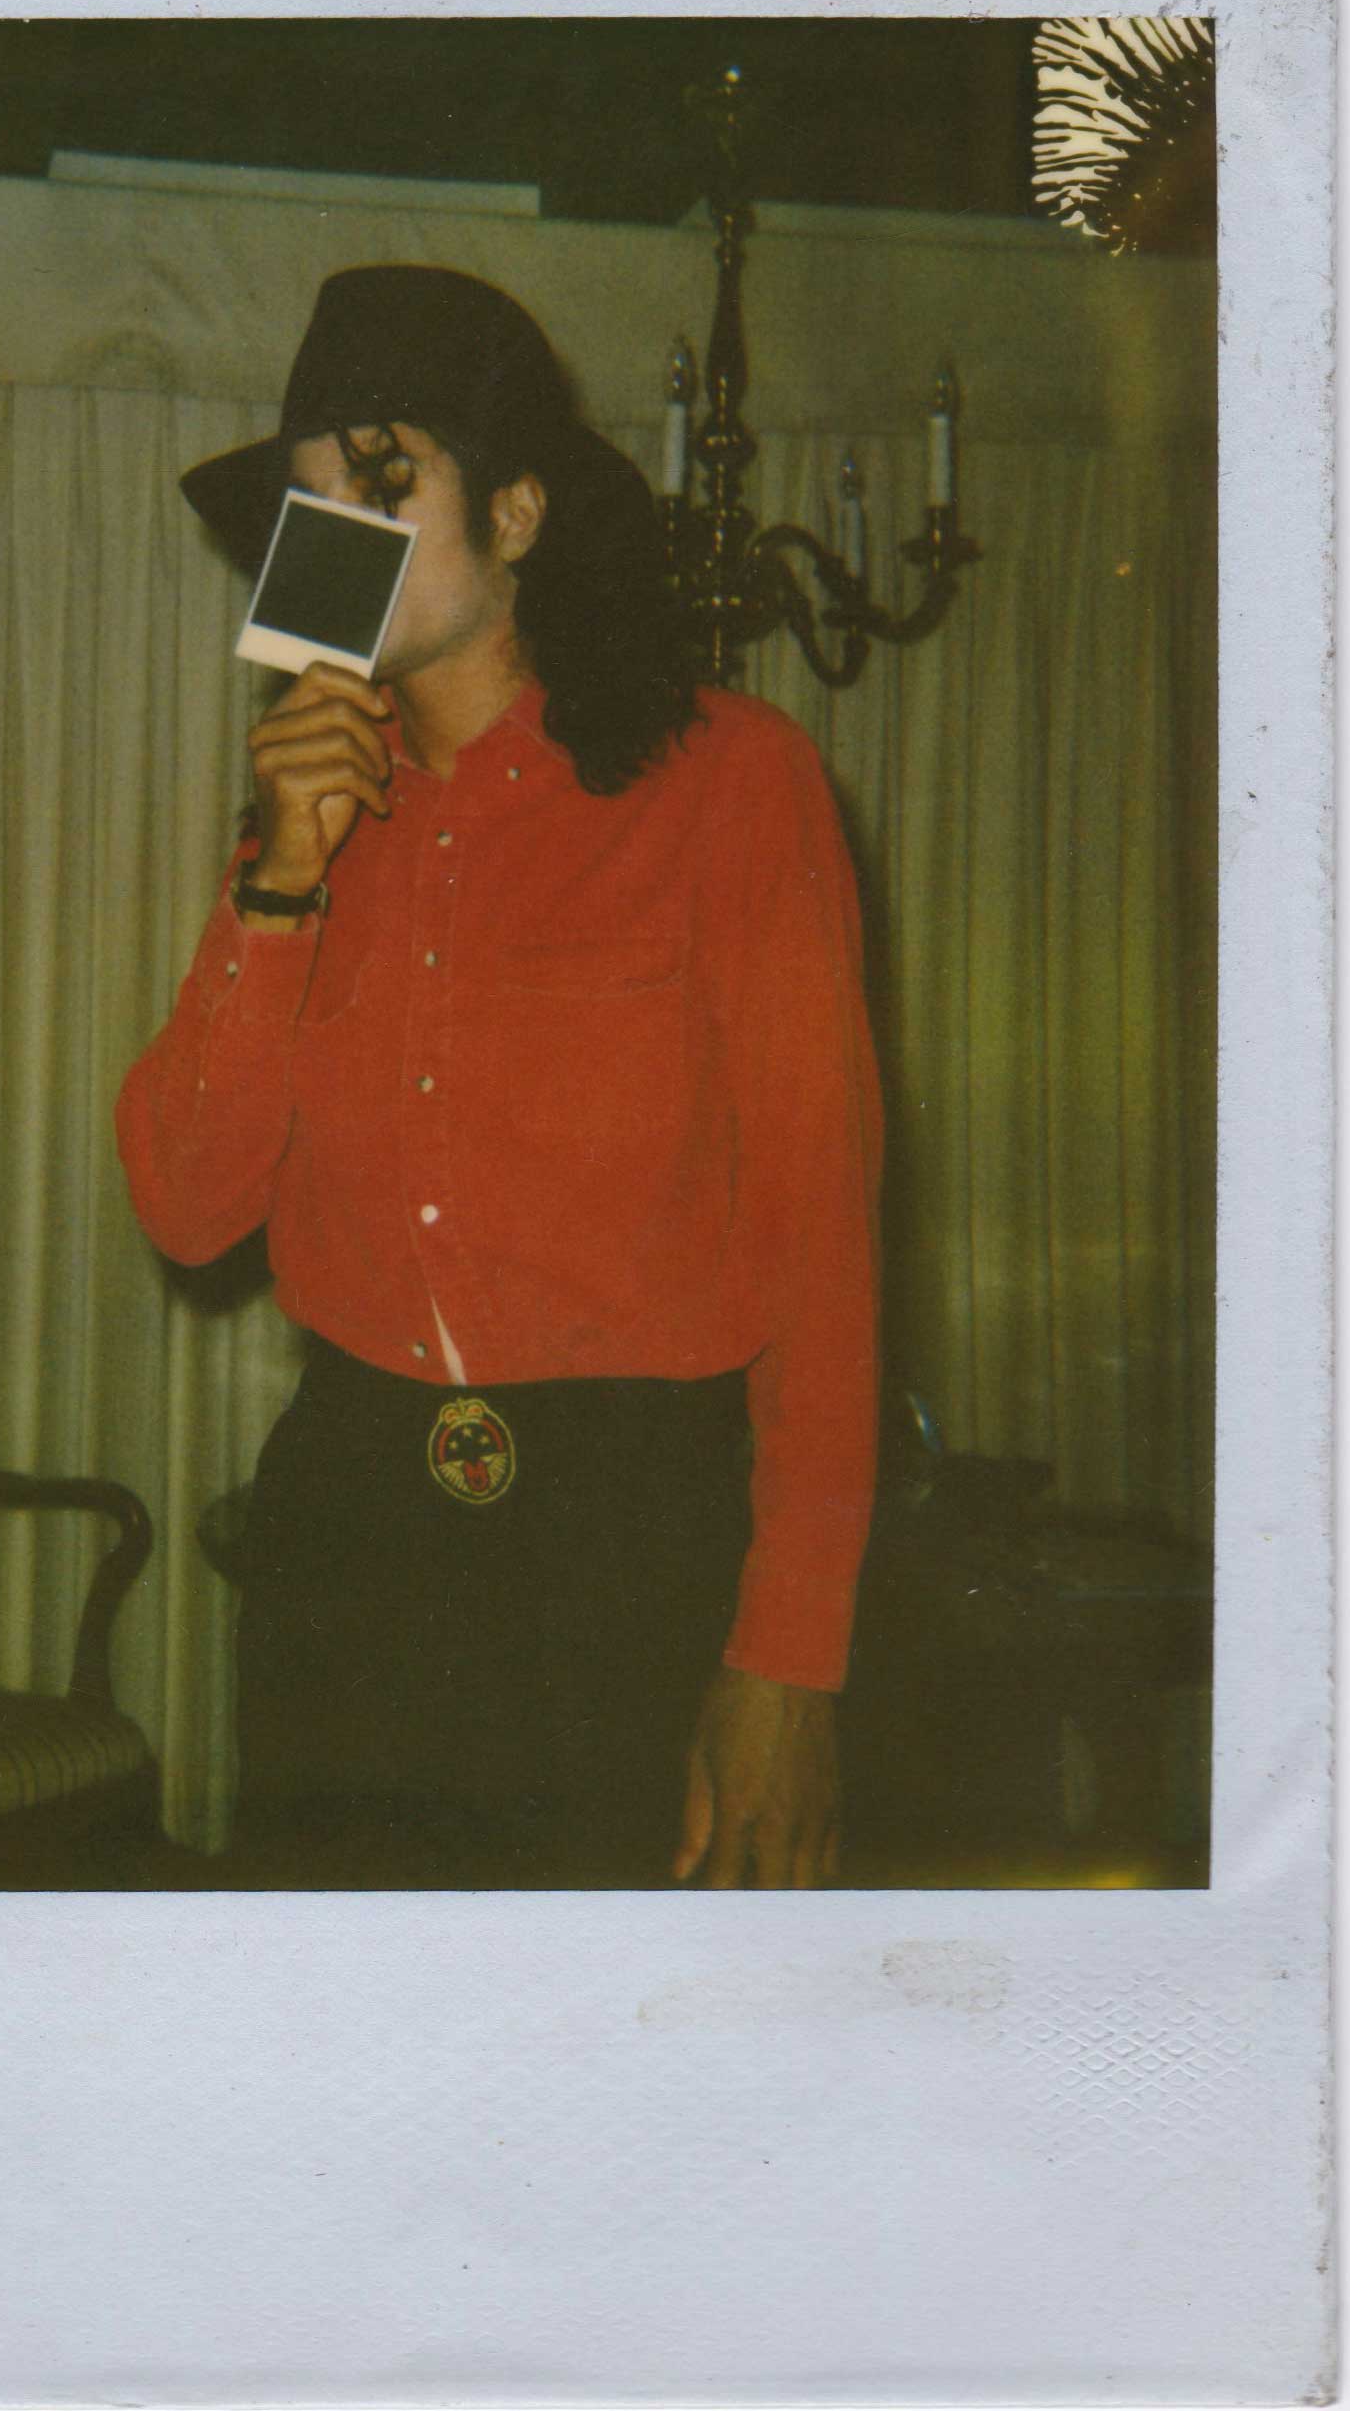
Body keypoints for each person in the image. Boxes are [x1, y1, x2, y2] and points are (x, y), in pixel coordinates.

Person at [115, 266, 881, 1891]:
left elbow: (822, 1245)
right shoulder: (304, 824)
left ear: (519, 514)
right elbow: (186, 1210)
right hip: (348, 1543)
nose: (338, 535)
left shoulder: (735, 785)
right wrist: (280, 885)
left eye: (383, 485)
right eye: (315, 505)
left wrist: (790, 1655)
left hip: (627, 1553)